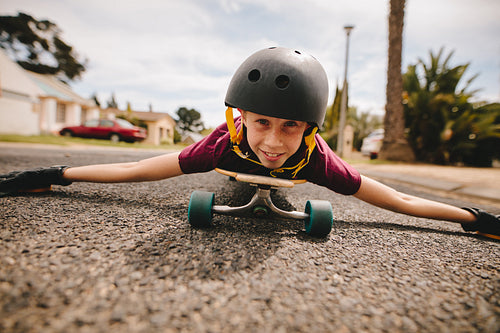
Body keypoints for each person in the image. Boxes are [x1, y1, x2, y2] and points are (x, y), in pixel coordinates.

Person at [1, 47, 498, 239]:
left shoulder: (318, 161)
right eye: (261, 122)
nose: (274, 142)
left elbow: (399, 199)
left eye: (290, 127)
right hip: (230, 172)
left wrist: (475, 219)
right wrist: (53, 175)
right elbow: (139, 169)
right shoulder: (222, 144)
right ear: (239, 118)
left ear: (310, 129)